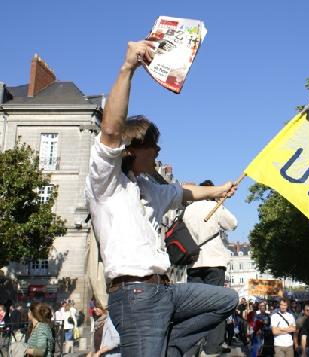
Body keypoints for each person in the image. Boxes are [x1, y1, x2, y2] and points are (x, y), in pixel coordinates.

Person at [84, 40, 238, 357]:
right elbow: (111, 130)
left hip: (164, 290)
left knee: (226, 299)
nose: (158, 151)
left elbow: (185, 192)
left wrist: (219, 190)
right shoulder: (107, 183)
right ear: (130, 150)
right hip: (135, 293)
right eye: (152, 145)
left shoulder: (150, 187)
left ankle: (169, 348)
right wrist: (128, 68)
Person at [183, 178, 238, 355]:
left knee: (194, 307)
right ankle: (212, 347)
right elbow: (233, 224)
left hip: (193, 262)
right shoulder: (214, 207)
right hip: (214, 262)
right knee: (217, 305)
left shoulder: (187, 210)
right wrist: (218, 204)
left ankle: (193, 345)